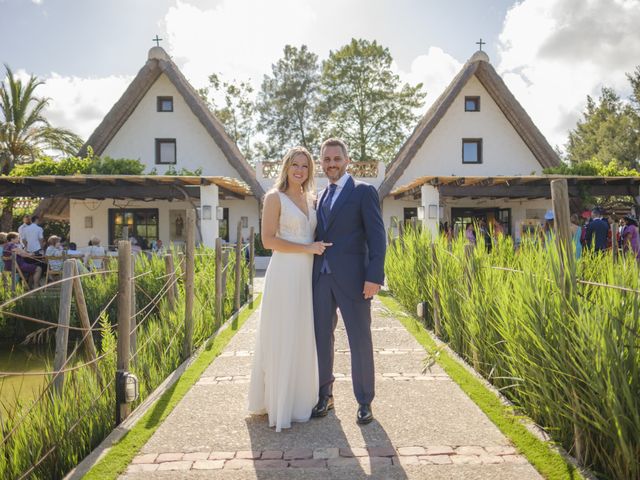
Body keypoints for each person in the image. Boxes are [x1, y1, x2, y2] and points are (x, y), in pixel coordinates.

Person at [248, 146, 330, 432]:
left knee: (301, 333)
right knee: (283, 333)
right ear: (286, 167)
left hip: (306, 275)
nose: (300, 170)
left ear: (310, 171)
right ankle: (279, 404)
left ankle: (299, 400)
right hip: (284, 273)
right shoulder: (274, 197)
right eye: (295, 165)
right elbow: (268, 241)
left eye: (305, 166)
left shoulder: (311, 198)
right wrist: (307, 247)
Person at [311, 138, 386, 425]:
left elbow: (377, 237)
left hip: (355, 281)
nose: (332, 164)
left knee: (360, 340)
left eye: (336, 159)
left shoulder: (363, 192)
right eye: (327, 159)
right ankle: (324, 396)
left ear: (347, 160)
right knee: (321, 339)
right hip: (321, 279)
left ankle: (365, 401)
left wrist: (373, 277)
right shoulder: (319, 196)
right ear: (321, 163)